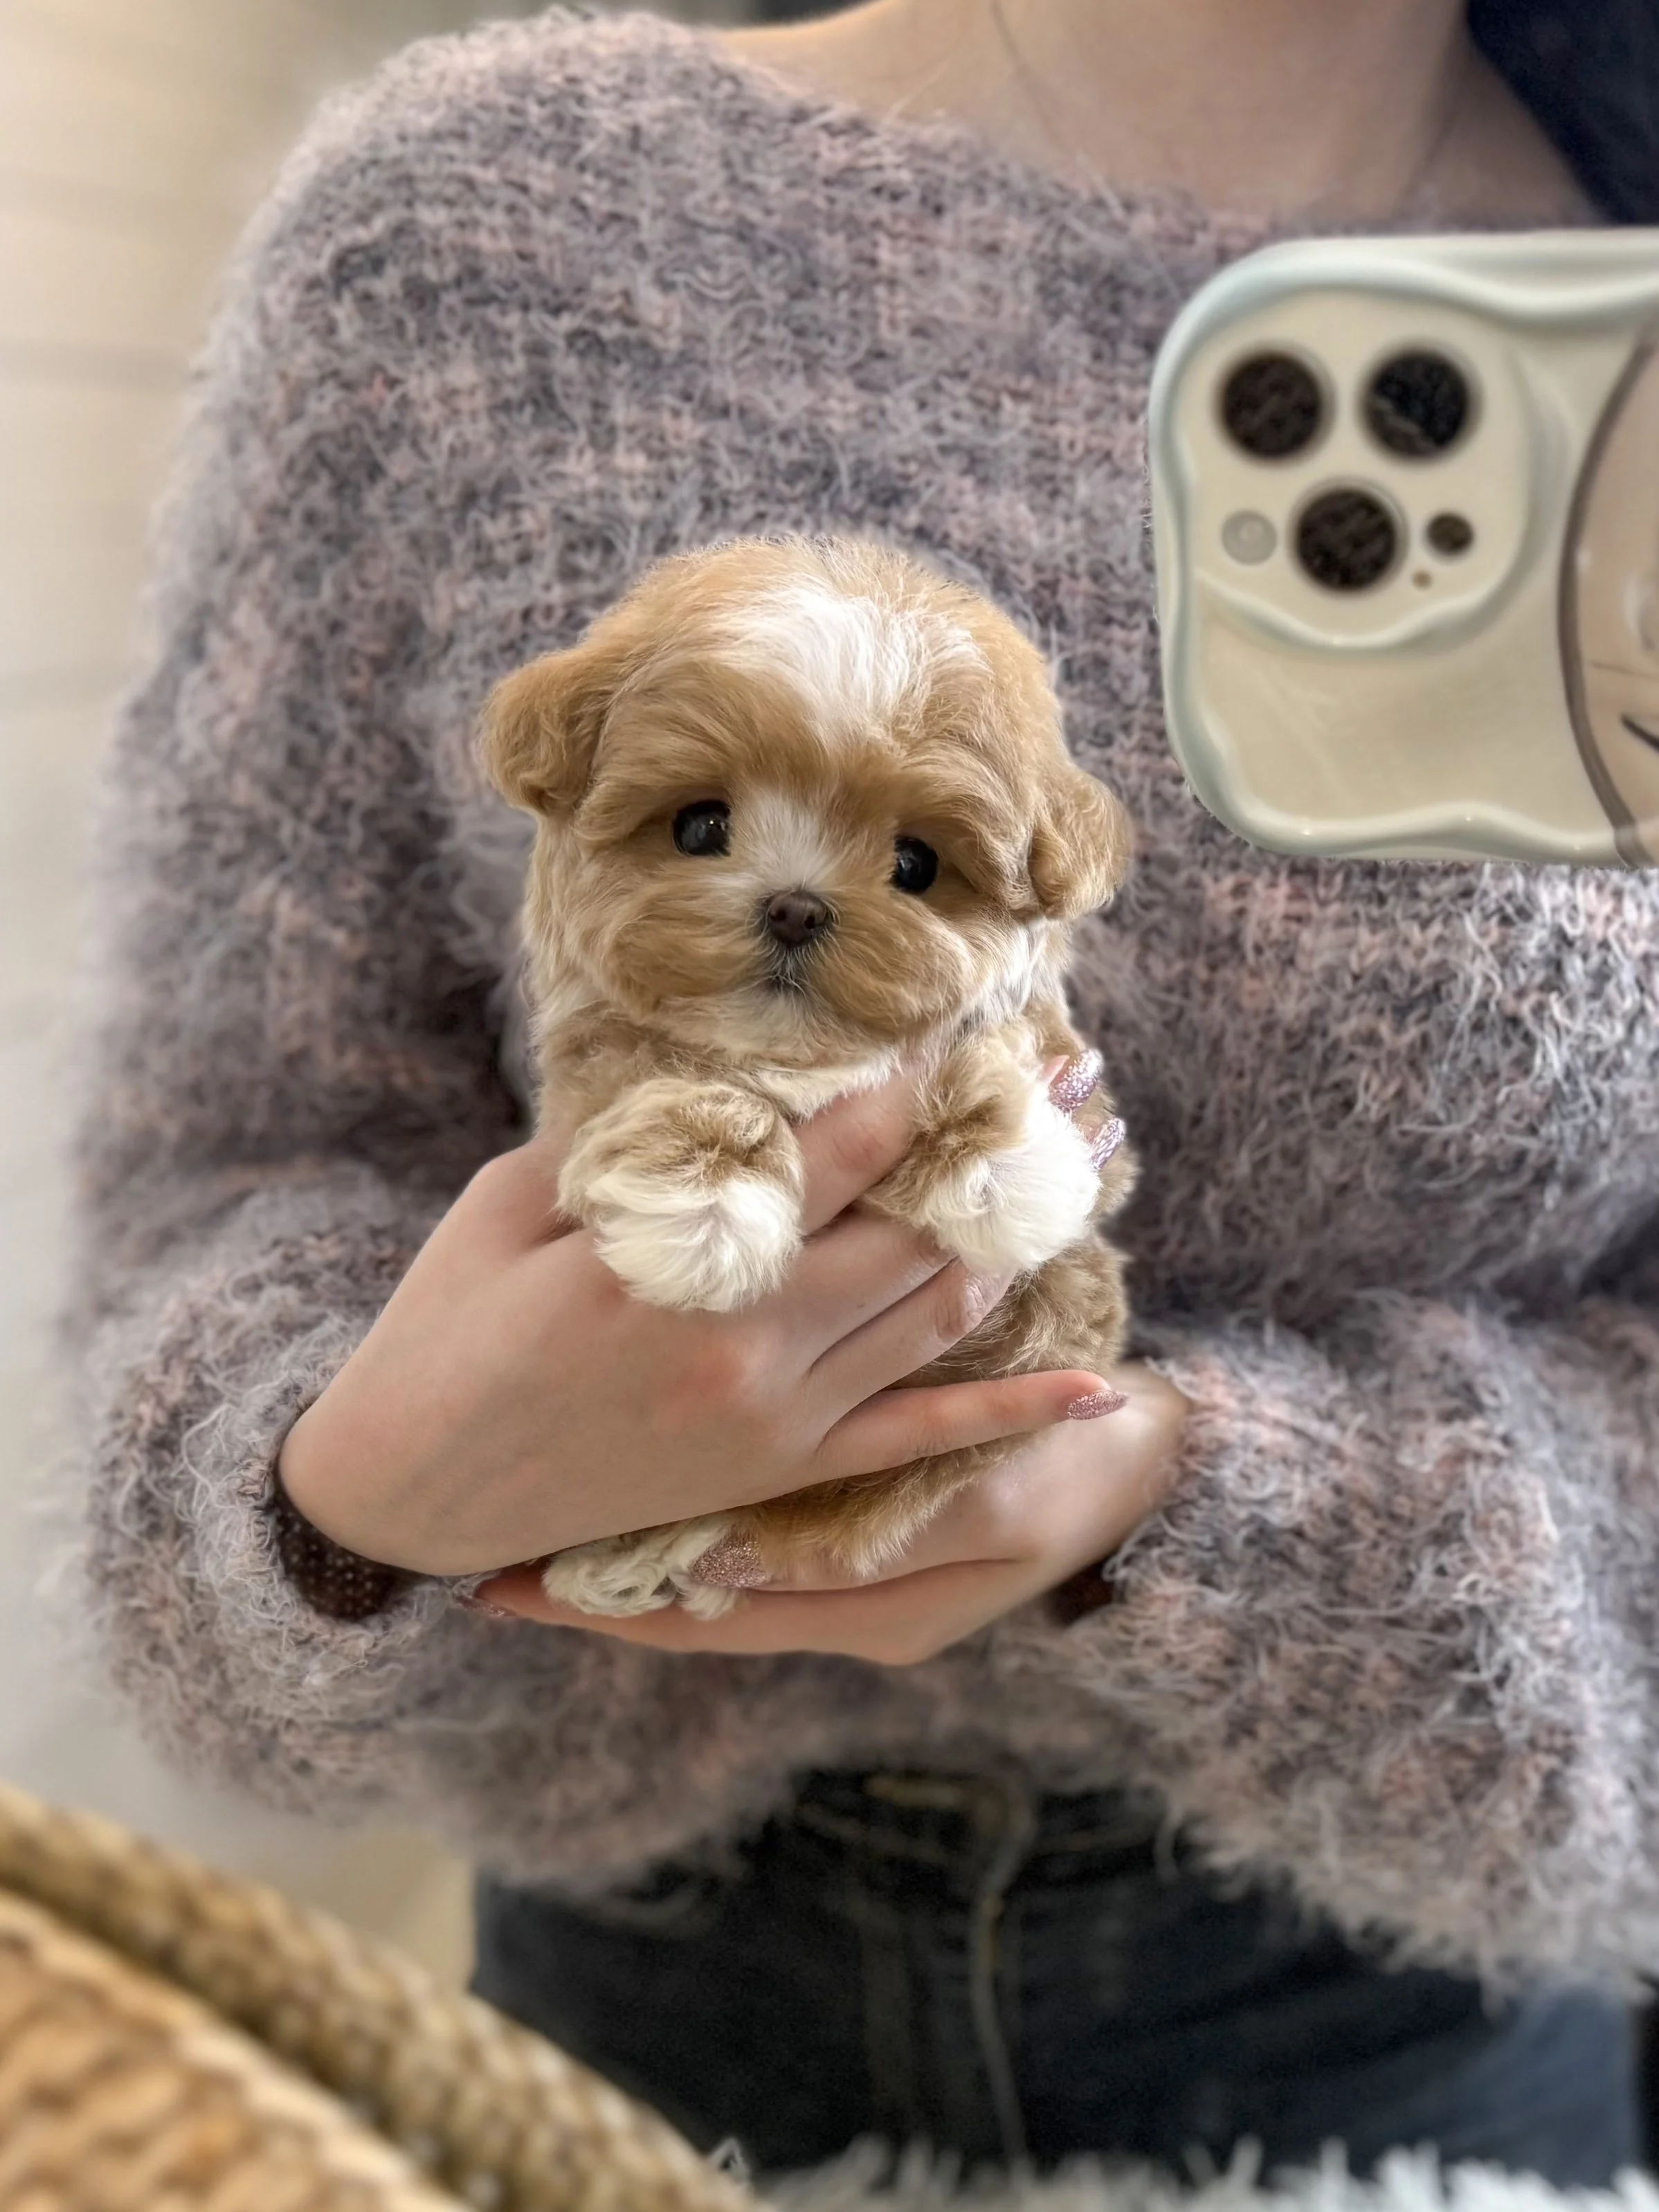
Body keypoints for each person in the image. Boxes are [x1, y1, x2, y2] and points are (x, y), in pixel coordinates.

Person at [70, 0, 1659, 2184]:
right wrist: (346, 1499)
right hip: (643, 2006)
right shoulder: (487, 240)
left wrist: (1188, 1501)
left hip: (1413, 2063)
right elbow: (215, 1196)